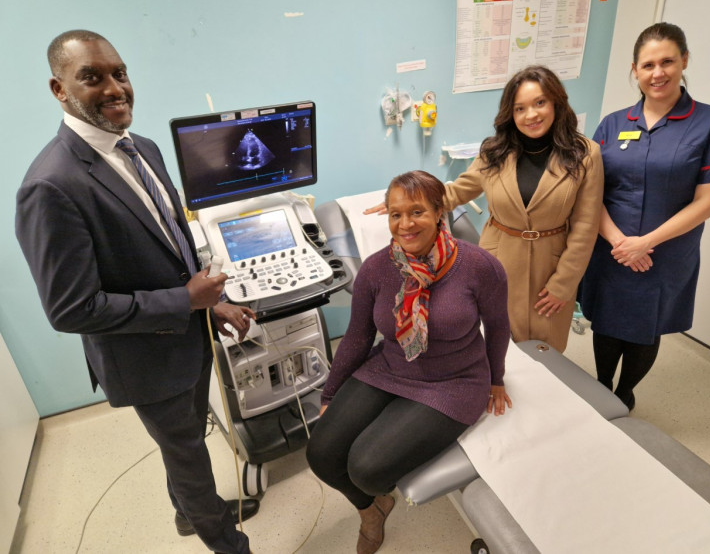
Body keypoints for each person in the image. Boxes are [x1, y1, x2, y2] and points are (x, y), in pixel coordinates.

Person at [16, 30, 258, 554]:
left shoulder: (142, 148)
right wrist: (186, 302)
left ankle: (189, 514)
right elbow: (71, 308)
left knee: (188, 438)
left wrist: (210, 304)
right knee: (190, 455)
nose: (114, 88)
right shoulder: (51, 186)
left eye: (119, 73)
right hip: (145, 359)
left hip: (189, 339)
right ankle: (225, 539)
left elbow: (173, 246)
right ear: (59, 90)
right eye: (92, 77)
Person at [306, 171, 511, 553]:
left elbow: (498, 327)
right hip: (390, 366)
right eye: (395, 214)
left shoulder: (479, 266)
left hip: (455, 381)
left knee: (367, 468)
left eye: (416, 212)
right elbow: (358, 336)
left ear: (439, 212)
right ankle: (373, 510)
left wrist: (496, 378)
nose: (404, 224)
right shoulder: (376, 267)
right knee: (321, 453)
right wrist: (330, 391)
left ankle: (375, 496)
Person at [367, 65, 603, 352]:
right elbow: (456, 192)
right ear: (510, 113)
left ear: (556, 102)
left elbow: (586, 226)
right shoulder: (495, 151)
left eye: (539, 103)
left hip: (551, 262)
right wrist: (407, 203)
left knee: (546, 346)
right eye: (520, 108)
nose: (531, 115)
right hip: (497, 259)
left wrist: (564, 285)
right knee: (494, 341)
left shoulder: (585, 154)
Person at [579, 22, 710, 410]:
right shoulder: (614, 124)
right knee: (607, 321)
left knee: (644, 329)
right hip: (612, 248)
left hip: (664, 253)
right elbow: (590, 192)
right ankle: (602, 386)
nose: (658, 73)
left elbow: (708, 201)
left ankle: (624, 394)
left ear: (684, 61)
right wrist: (620, 241)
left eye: (667, 61)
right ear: (634, 69)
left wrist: (645, 243)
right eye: (647, 64)